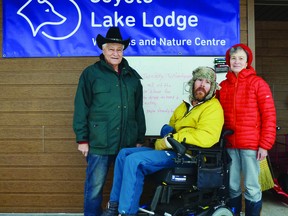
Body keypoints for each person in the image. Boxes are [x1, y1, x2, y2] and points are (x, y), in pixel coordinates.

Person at [101, 66, 224, 216]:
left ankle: (126, 212)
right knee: (124, 154)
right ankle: (114, 205)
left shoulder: (213, 108)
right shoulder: (184, 105)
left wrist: (173, 139)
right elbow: (172, 126)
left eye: (207, 82)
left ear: (212, 87)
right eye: (199, 80)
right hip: (172, 150)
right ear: (193, 82)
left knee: (134, 161)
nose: (202, 85)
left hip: (188, 156)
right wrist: (167, 134)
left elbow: (207, 137)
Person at [73, 26, 146, 216]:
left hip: (127, 142)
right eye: (111, 49)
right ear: (103, 50)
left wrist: (139, 138)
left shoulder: (132, 77)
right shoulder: (91, 74)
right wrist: (82, 139)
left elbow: (139, 110)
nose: (115, 53)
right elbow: (82, 107)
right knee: (95, 187)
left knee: (125, 185)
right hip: (99, 141)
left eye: (119, 49)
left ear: (123, 51)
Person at [218, 43, 276, 216]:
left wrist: (265, 145)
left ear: (247, 62)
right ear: (229, 61)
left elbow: (269, 116)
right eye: (233, 58)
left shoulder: (258, 83)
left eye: (241, 58)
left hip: (252, 146)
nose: (237, 61)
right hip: (230, 144)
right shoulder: (223, 86)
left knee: (251, 186)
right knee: (233, 186)